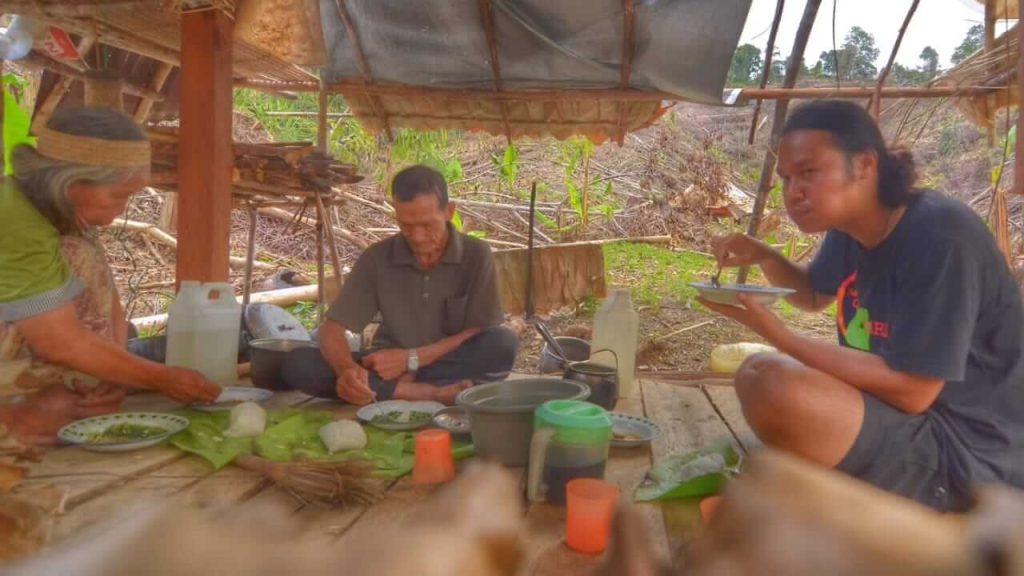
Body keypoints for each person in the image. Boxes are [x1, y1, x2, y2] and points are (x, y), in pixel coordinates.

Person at [703, 100, 1024, 511]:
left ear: (866, 165)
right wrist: (764, 256)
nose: (793, 192)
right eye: (785, 178)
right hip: (907, 416)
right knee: (753, 378)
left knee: (772, 383)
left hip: (967, 452)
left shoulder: (941, 237)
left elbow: (913, 391)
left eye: (808, 173)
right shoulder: (851, 228)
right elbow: (813, 295)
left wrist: (779, 336)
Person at [0, 107, 221, 446]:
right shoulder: (13, 220)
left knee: (64, 407)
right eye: (118, 195)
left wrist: (112, 377)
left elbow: (111, 304)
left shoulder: (60, 212)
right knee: (46, 415)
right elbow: (60, 342)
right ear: (70, 182)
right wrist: (162, 379)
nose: (120, 208)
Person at [282, 165, 518, 405]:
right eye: (406, 225)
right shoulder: (378, 258)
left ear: (449, 211)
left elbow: (479, 329)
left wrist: (412, 360)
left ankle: (390, 390)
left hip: (448, 360)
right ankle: (429, 393)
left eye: (427, 225)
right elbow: (331, 331)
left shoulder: (476, 254)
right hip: (386, 366)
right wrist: (346, 371)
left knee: (501, 343)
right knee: (299, 364)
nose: (417, 237)